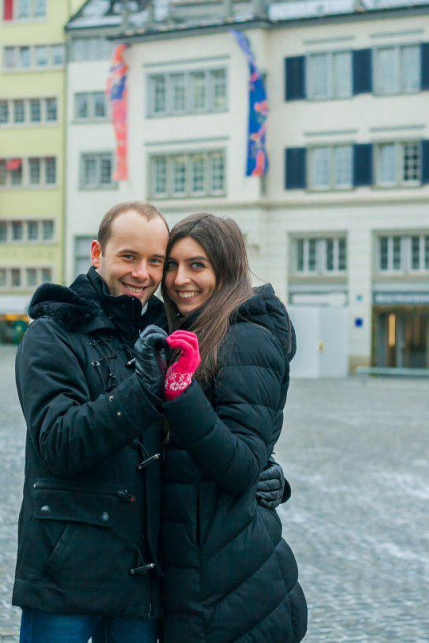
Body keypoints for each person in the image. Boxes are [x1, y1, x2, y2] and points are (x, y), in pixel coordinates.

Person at [13, 202, 288, 643]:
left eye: (156, 261)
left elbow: (218, 430)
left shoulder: (166, 330)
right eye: (129, 257)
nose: (143, 273)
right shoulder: (53, 332)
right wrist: (143, 391)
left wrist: (266, 471)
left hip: (142, 579)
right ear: (97, 254)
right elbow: (60, 442)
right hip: (67, 572)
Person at [157, 213, 308, 642]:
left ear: (226, 268)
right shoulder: (192, 330)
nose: (180, 279)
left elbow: (241, 464)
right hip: (203, 574)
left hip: (233, 589)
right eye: (172, 265)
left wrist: (180, 393)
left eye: (197, 265)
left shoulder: (245, 339)